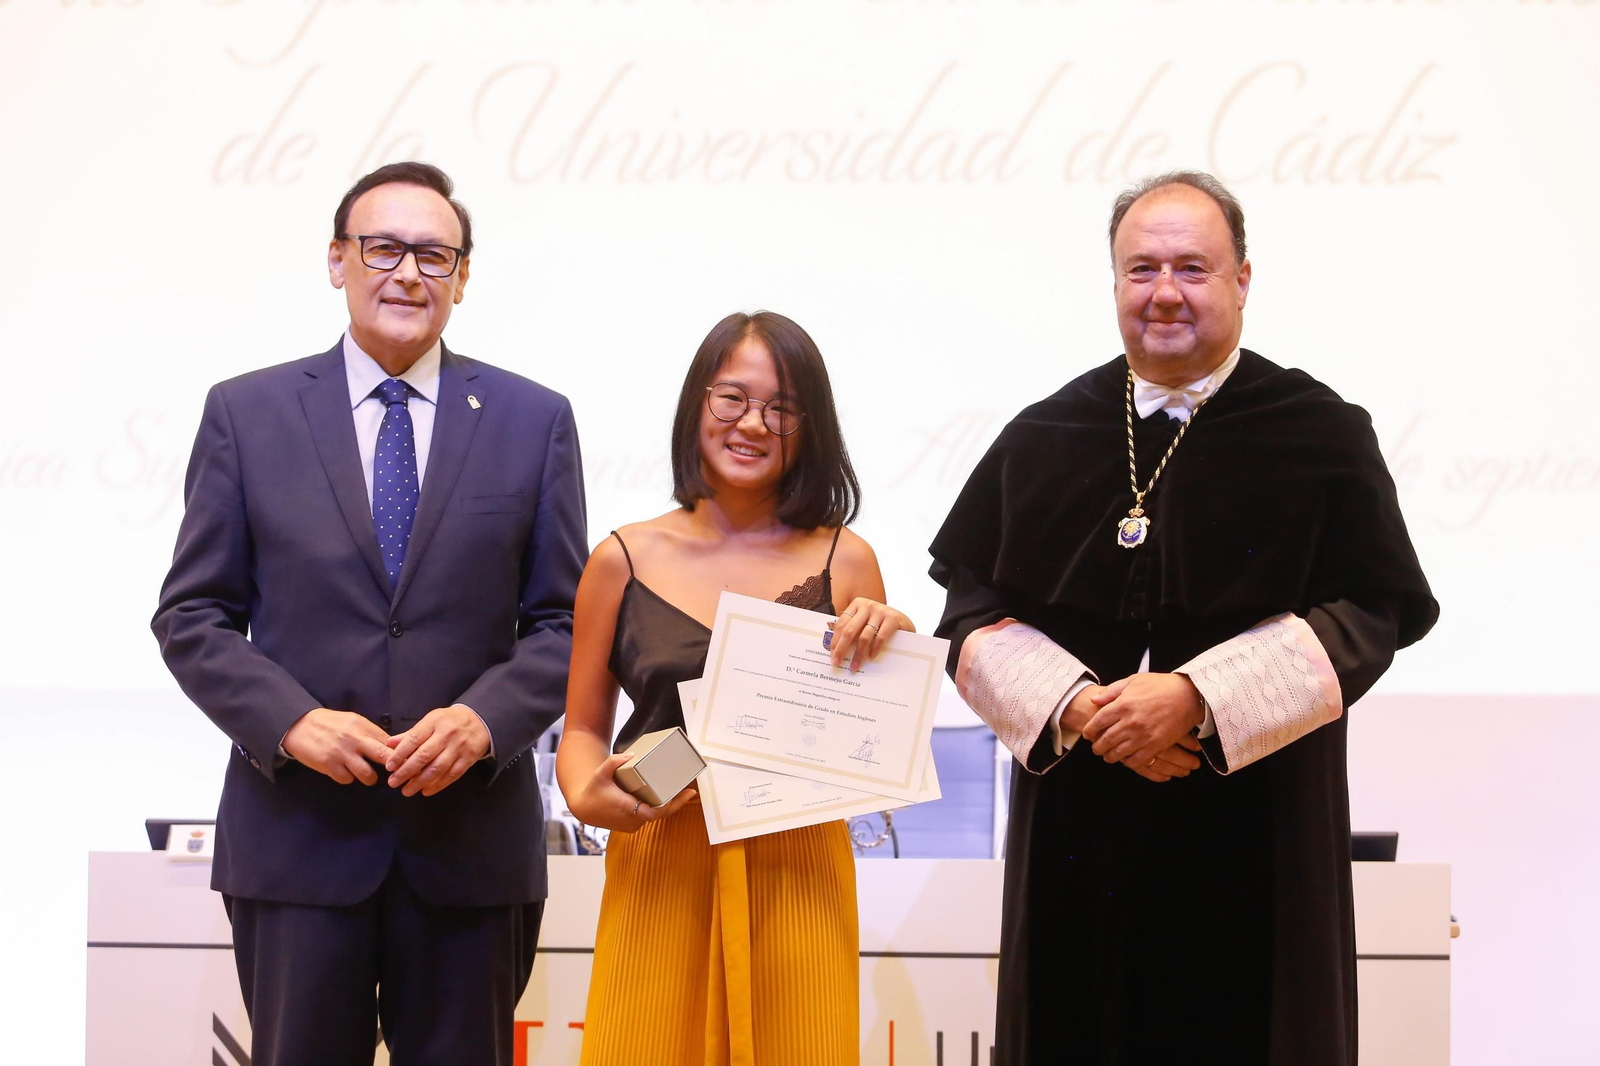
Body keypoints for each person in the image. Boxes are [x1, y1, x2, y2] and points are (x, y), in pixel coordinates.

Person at [929, 171, 1438, 1065]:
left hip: (1257, 830)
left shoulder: (1319, 433)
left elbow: (1372, 609)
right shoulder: (1045, 434)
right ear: (1116, 284)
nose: (1165, 293)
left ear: (1243, 280)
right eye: (1142, 269)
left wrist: (1197, 699)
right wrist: (1081, 709)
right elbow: (970, 611)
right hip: (1081, 836)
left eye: (1193, 268)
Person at [152, 161, 587, 1066]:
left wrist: (485, 721)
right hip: (298, 842)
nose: (408, 272)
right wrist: (291, 722)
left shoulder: (532, 419)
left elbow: (565, 623)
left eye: (435, 254)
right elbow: (192, 614)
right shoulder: (247, 413)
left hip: (470, 850)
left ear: (463, 278)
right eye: (383, 248)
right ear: (337, 261)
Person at [556, 311, 912, 1065]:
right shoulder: (622, 558)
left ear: (810, 427)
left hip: (799, 864)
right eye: (732, 398)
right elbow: (584, 726)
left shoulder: (848, 560)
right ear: (697, 407)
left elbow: (873, 731)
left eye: (782, 407)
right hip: (660, 854)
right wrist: (586, 793)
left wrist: (890, 633)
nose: (754, 423)